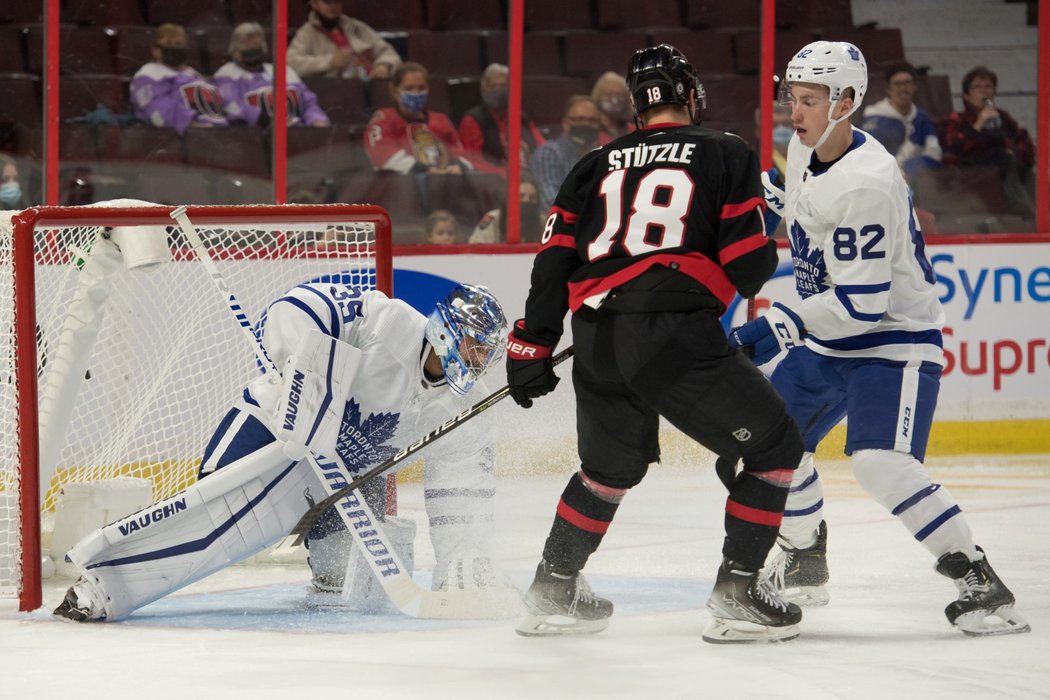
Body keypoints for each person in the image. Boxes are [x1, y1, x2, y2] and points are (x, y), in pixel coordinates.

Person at [506, 44, 805, 644]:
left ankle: (553, 584)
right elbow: (749, 267)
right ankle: (739, 588)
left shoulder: (592, 164)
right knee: (775, 446)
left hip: (595, 333)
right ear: (689, 95)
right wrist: (771, 219)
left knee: (607, 469)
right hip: (672, 330)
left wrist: (531, 345)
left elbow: (553, 263)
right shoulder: (726, 150)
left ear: (639, 109)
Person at [732, 41, 1030, 637]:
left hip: (893, 337)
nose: (796, 110)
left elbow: (862, 307)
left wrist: (775, 327)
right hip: (830, 338)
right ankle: (805, 552)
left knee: (879, 463)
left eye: (810, 99)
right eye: (793, 96)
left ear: (846, 102)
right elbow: (790, 201)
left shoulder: (866, 182)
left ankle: (979, 580)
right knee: (763, 445)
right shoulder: (807, 145)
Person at [54, 282, 513, 621]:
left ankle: (325, 567)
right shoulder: (387, 322)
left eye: (485, 351)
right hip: (274, 432)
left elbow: (462, 487)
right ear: (445, 330)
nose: (478, 360)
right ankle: (100, 583)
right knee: (210, 519)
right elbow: (298, 307)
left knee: (344, 580)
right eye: (474, 345)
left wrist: (462, 556)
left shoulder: (467, 406)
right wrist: (302, 378)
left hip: (343, 478)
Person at [938, 65, 1036, 218]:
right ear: (966, 95)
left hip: (1009, 170)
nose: (984, 91)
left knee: (1019, 167)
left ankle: (1038, 212)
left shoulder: (1003, 118)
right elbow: (952, 150)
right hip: (972, 176)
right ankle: (1025, 210)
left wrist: (1013, 151)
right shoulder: (957, 120)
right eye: (977, 87)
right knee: (1004, 159)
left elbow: (1027, 148)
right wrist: (978, 124)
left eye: (988, 86)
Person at [214, 22, 330, 128]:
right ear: (235, 51)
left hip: (297, 131)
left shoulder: (284, 71)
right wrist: (266, 119)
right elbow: (232, 106)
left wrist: (316, 120)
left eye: (255, 44)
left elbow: (308, 101)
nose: (252, 48)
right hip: (258, 136)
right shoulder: (227, 73)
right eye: (246, 44)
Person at [364, 62, 472, 175]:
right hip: (403, 186)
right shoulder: (383, 119)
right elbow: (382, 154)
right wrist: (426, 170)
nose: (416, 93)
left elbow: (460, 153)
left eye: (421, 88)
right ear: (394, 90)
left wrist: (458, 166)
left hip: (445, 183)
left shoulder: (441, 120)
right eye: (409, 88)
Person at [131, 23, 227, 133]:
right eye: (168, 44)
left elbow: (215, 103)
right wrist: (190, 124)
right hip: (177, 138)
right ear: (155, 50)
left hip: (216, 133)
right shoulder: (148, 75)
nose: (174, 48)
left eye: (178, 44)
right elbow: (158, 109)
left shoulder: (193, 73)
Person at [457, 63, 546, 175]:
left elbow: (543, 148)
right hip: (495, 181)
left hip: (530, 177)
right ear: (483, 90)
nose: (498, 90)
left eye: (503, 86)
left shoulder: (521, 117)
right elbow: (473, 161)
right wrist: (505, 174)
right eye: (493, 86)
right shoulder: (472, 120)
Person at [861, 61, 941, 178]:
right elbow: (871, 159)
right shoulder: (874, 120)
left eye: (907, 83)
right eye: (897, 84)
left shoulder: (922, 117)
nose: (903, 88)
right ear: (888, 89)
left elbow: (934, 153)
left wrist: (913, 166)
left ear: (915, 86)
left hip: (918, 181)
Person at [287, 0, 402, 80]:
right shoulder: (306, 33)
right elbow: (290, 63)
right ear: (314, 4)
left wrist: (384, 65)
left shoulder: (357, 27)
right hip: (333, 91)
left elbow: (389, 53)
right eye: (327, 2)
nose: (333, 6)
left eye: (337, 1)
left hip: (369, 85)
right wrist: (330, 62)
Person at [529, 95, 602, 211]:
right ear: (565, 123)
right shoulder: (549, 153)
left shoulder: (602, 156)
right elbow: (551, 201)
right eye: (580, 119)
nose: (586, 124)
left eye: (592, 121)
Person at [469, 173, 545, 244]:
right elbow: (476, 246)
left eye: (532, 198)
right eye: (521, 196)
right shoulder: (493, 218)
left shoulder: (543, 221)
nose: (527, 201)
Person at [590, 71, 635, 146]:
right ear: (598, 96)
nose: (614, 100)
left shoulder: (633, 130)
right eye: (609, 94)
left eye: (620, 95)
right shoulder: (591, 127)